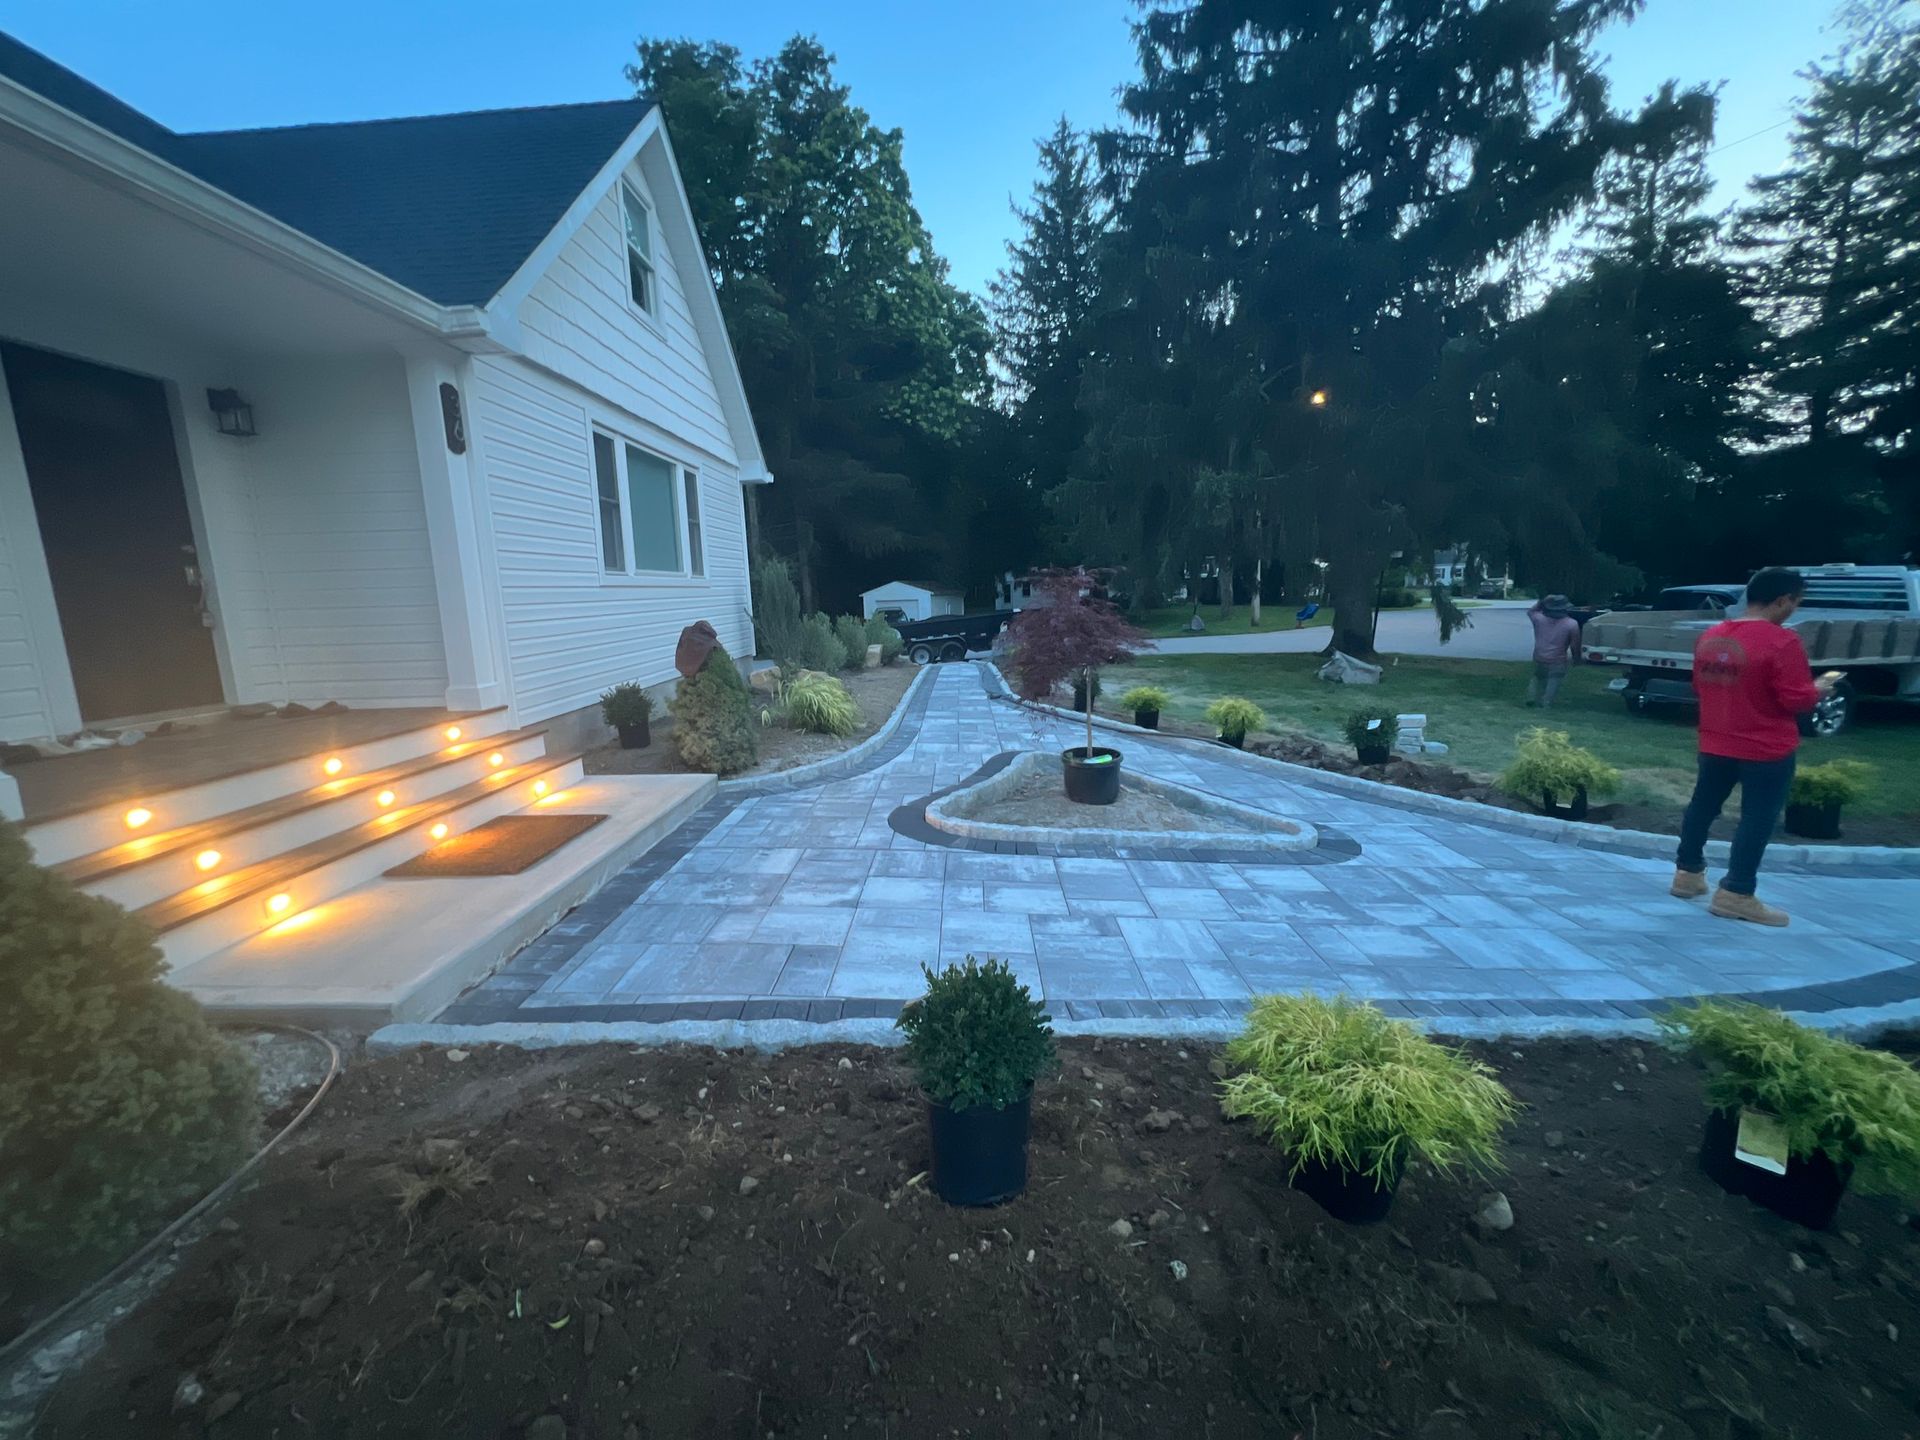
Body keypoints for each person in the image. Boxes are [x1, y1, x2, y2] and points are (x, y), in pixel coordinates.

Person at [1671, 566, 1833, 926]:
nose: (1794, 610)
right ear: (1783, 600)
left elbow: (1700, 685)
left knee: (1702, 806)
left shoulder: (1712, 635)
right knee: (1757, 818)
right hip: (1765, 746)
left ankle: (1687, 874)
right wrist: (1818, 690)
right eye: (1796, 602)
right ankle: (1737, 892)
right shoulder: (1783, 641)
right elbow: (1795, 699)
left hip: (1715, 739)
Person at [1526, 595, 1582, 707]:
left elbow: (1531, 611)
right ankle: (1546, 702)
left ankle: (1531, 697)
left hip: (1539, 656)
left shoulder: (1539, 619)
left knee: (1537, 677)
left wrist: (1543, 601)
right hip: (1558, 659)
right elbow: (1575, 645)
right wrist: (1577, 659)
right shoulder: (1572, 624)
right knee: (1554, 679)